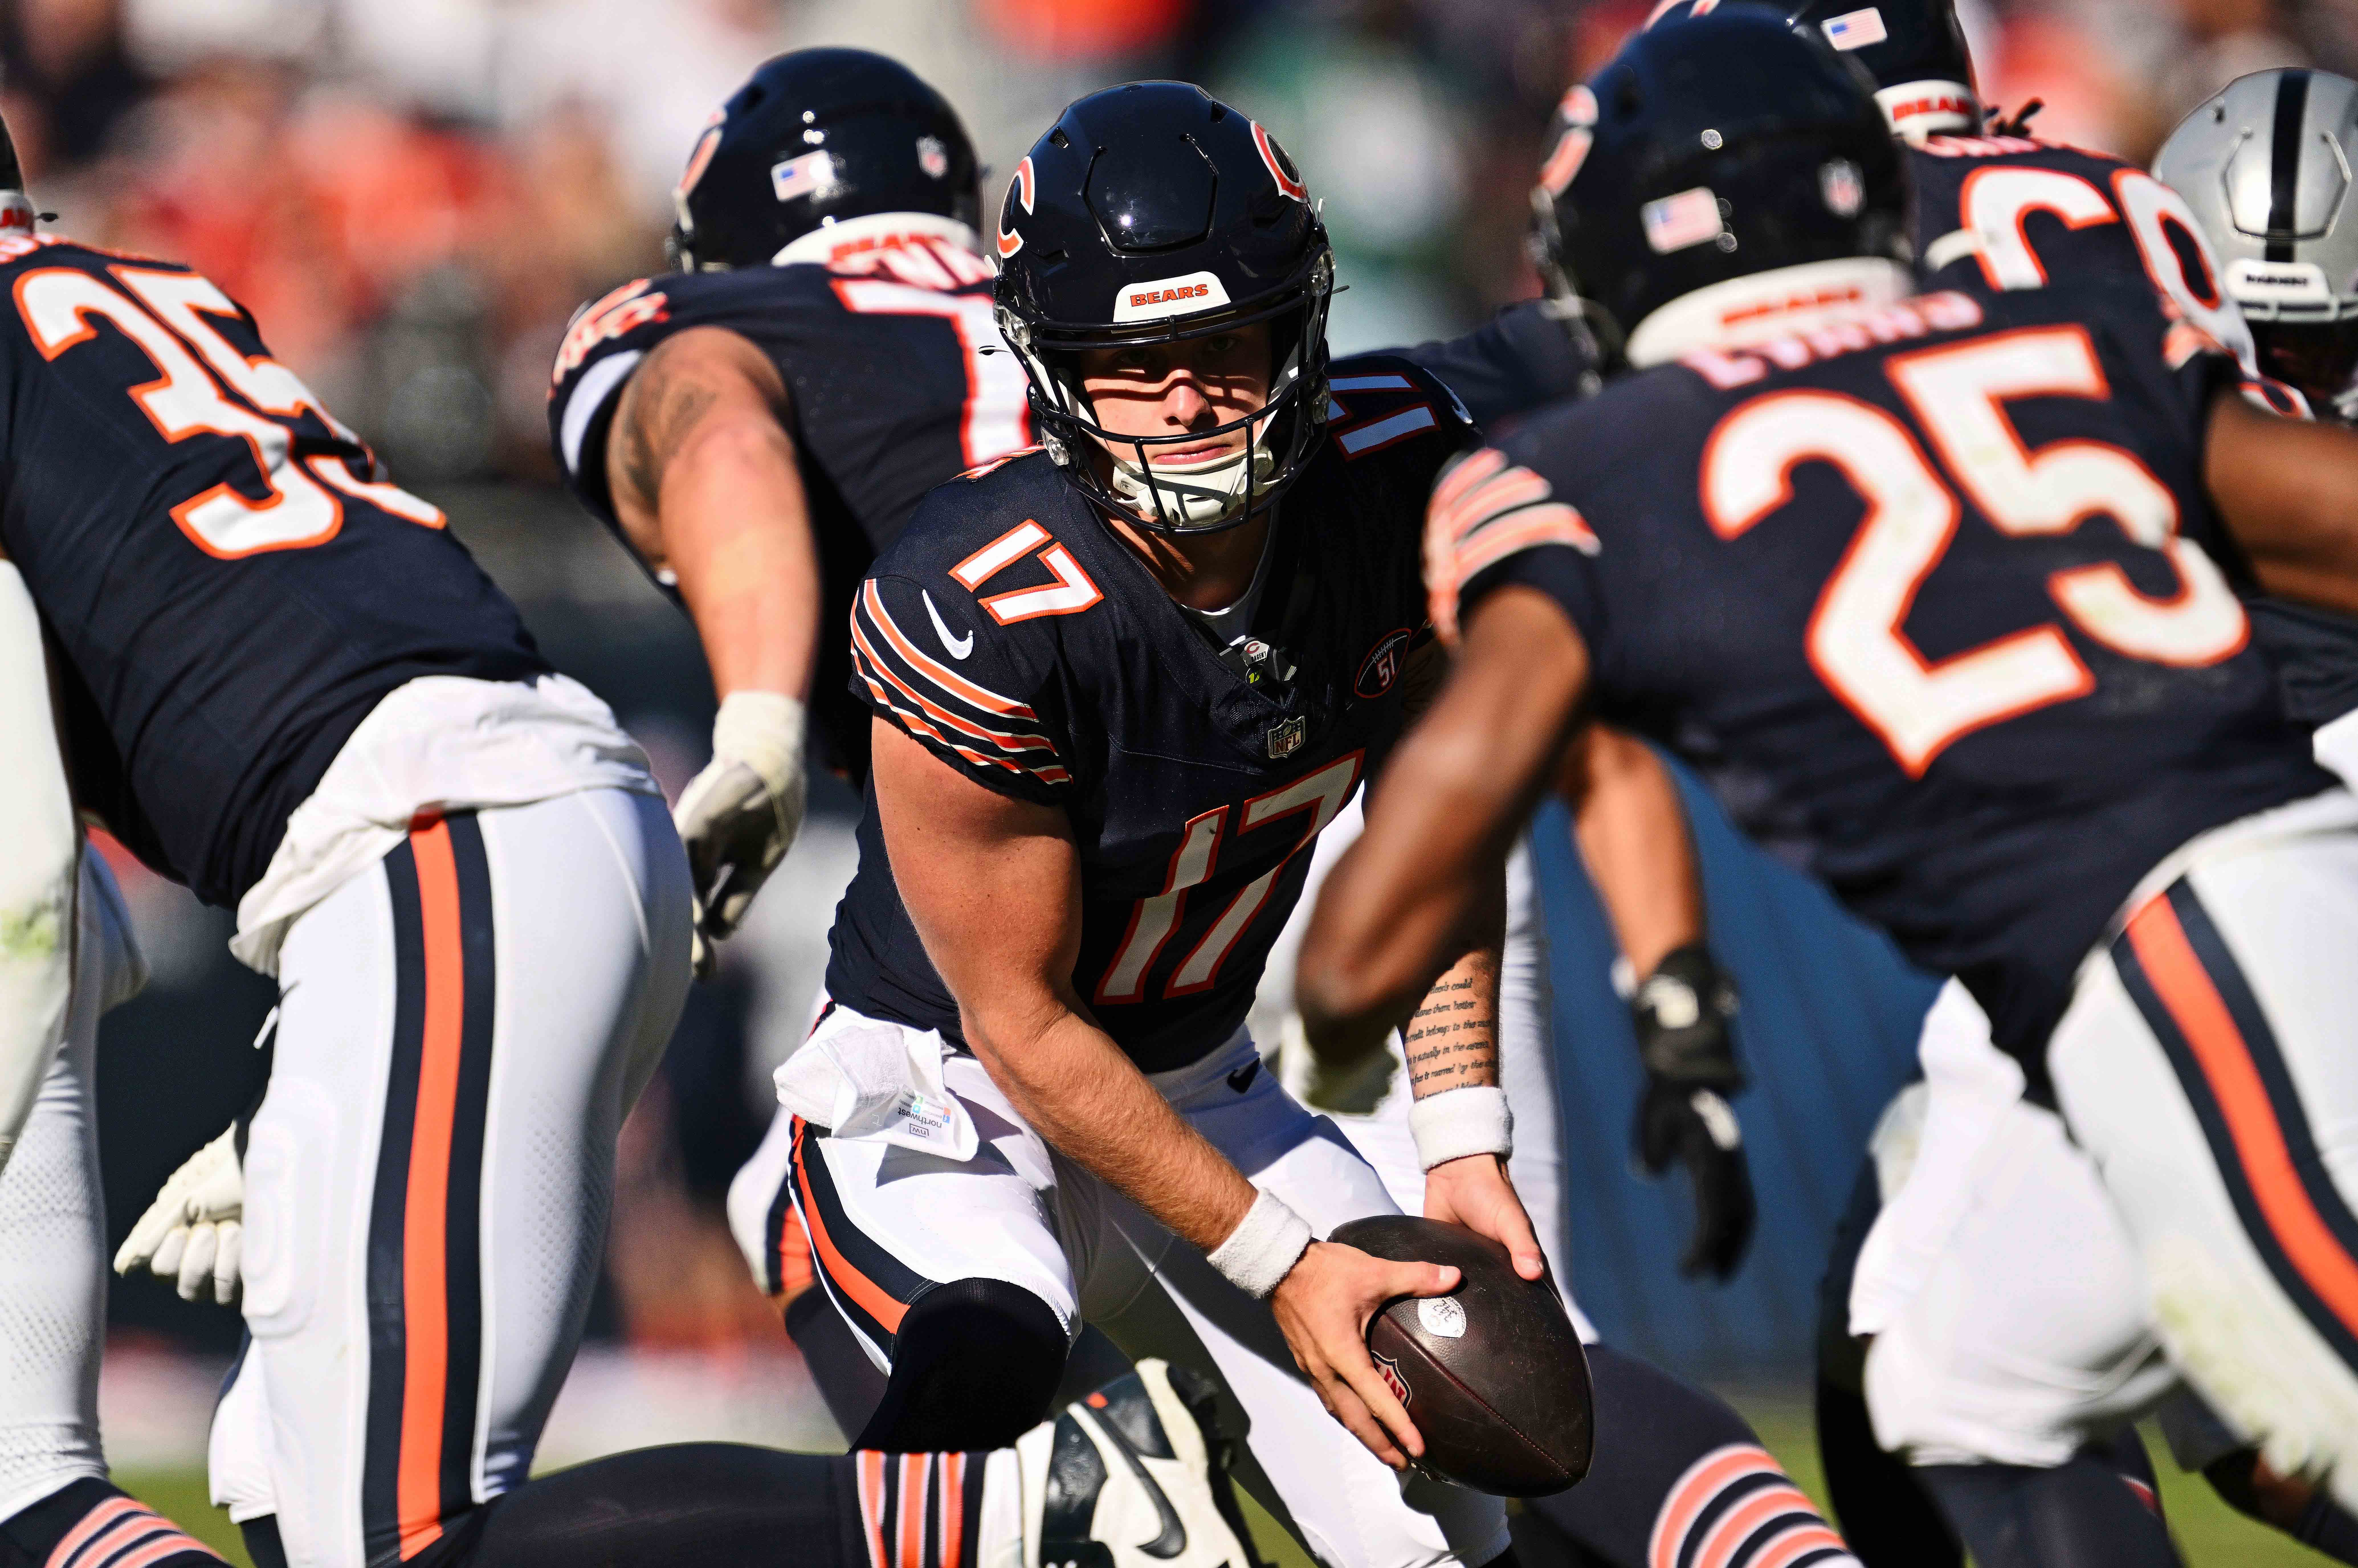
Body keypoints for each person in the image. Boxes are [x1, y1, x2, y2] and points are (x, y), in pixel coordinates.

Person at [1297, 9, 2358, 1567]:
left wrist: (1331, 1031)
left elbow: (1387, 904)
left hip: (2183, 927)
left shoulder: (1598, 463)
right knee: (1951, 1383)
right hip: (2212, 875)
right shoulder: (2064, 300)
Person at [786, 77, 1541, 1568]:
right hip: (950, 1103)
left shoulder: (1403, 475)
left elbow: (1438, 824)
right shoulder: (980, 604)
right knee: (1044, 1494)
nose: (1186, 397)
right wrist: (1286, 1265)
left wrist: (1462, 1140)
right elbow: (1019, 1020)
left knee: (1452, 1520)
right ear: (1057, 369)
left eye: (1221, 345)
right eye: (1133, 365)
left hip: (1204, 1075)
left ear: (1300, 326)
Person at [0, 109, 703, 1568]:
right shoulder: (139, 296)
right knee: (277, 1487)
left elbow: (25, 888)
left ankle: (999, 1510)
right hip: (454, 837)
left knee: (399, 1534)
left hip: (443, 835)